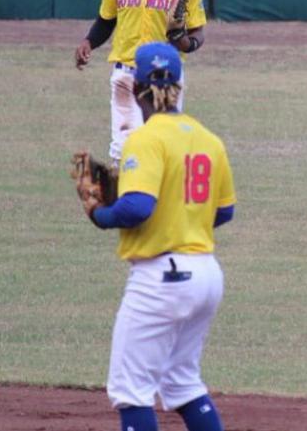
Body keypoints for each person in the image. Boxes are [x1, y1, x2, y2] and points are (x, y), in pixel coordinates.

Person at [79, 41, 236, 431]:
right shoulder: (208, 139)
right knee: (181, 382)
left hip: (161, 280)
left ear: (135, 89)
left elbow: (136, 208)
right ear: (180, 85)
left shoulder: (145, 139)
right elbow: (225, 211)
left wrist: (100, 214)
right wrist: (182, 219)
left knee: (130, 390)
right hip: (206, 275)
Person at [75, 0, 207, 164]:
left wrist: (186, 43)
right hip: (127, 73)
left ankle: (160, 201)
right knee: (124, 149)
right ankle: (125, 200)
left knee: (165, 146)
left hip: (166, 75)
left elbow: (197, 33)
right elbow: (107, 20)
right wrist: (88, 42)